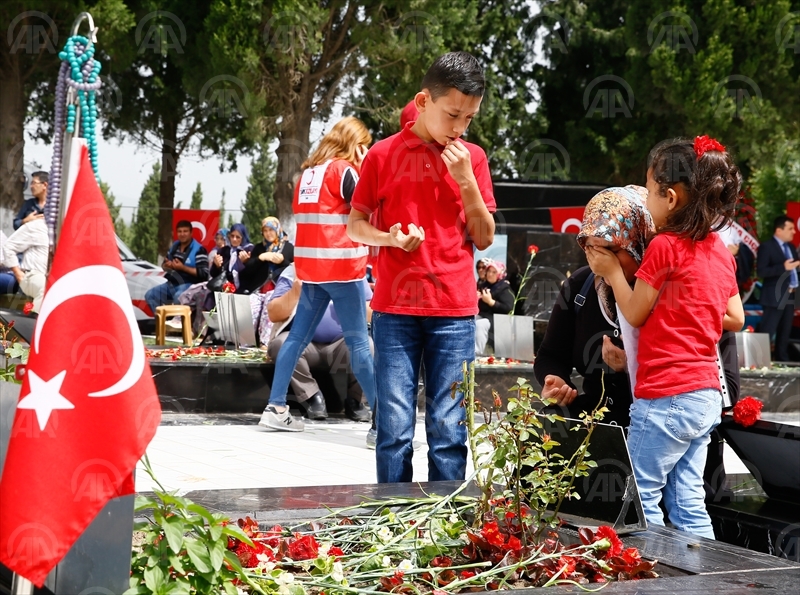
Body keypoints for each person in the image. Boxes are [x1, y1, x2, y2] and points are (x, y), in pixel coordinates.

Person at [585, 136, 744, 539]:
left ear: (670, 197)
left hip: (666, 397)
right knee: (689, 500)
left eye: (649, 190)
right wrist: (691, 308)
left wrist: (613, 274)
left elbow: (636, 314)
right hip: (706, 395)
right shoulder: (719, 250)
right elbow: (735, 317)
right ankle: (706, 575)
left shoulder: (663, 247)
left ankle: (653, 577)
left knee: (639, 496)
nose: (646, 202)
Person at [347, 51, 496, 483]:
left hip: (454, 311)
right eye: (453, 115)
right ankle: (391, 519)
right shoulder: (382, 155)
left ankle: (444, 526)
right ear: (424, 101)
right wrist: (389, 237)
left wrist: (467, 180)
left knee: (450, 430)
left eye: (469, 119)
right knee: (393, 429)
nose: (459, 128)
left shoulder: (473, 158)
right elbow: (356, 226)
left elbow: (484, 236)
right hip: (395, 309)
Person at [258, 116, 376, 433]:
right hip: (343, 270)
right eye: (365, 146)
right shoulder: (345, 171)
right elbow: (368, 212)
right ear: (356, 144)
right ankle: (382, 422)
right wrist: (366, 172)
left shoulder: (306, 176)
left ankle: (276, 406)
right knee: (360, 344)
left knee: (296, 338)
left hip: (312, 270)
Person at [535, 186, 653, 428]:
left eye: (611, 250)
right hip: (597, 422)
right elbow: (550, 354)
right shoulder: (581, 285)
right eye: (591, 249)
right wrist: (555, 380)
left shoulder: (670, 288)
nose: (601, 262)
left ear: (640, 243)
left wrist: (632, 366)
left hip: (656, 424)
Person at [266, 264, 373, 423]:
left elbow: (371, 314)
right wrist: (294, 293)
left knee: (368, 346)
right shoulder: (294, 271)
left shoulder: (352, 270)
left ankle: (357, 400)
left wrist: (348, 303)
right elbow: (274, 313)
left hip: (341, 344)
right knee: (283, 344)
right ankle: (311, 397)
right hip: (307, 346)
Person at [757, 215, 799, 362]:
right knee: (768, 331)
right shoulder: (766, 247)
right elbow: (761, 272)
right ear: (779, 230)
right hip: (773, 297)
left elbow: (793, 270)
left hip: (790, 296)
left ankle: (783, 361)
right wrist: (783, 267)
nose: (794, 232)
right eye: (790, 228)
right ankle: (760, 362)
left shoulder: (792, 248)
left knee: (785, 333)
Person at [145, 220, 209, 314]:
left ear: (191, 233)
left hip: (190, 285)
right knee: (150, 295)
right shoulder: (174, 246)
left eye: (185, 231)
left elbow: (204, 274)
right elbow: (164, 265)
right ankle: (163, 324)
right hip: (171, 283)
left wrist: (183, 268)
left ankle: (178, 326)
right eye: (179, 231)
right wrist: (167, 266)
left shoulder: (199, 249)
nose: (182, 234)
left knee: (178, 297)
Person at [1, 217, 49, 311]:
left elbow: (2, 260)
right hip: (26, 275)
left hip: (10, 273)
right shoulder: (36, 226)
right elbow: (9, 248)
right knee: (45, 286)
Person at [238, 217, 294, 294]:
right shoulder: (259, 248)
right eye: (265, 231)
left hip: (282, 292)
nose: (268, 233)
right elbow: (248, 273)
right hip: (259, 291)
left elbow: (295, 272)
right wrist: (260, 259)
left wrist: (282, 261)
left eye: (271, 230)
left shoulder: (289, 248)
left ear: (277, 230)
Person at [475, 260, 514, 355]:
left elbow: (508, 308)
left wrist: (491, 302)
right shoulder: (484, 285)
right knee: (469, 320)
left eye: (494, 272)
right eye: (489, 271)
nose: (490, 274)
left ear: (500, 274)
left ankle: (476, 353)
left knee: (480, 324)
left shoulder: (504, 288)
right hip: (484, 315)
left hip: (497, 320)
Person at [209, 223, 254, 292]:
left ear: (243, 237)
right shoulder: (224, 251)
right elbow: (213, 274)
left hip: (244, 290)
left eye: (238, 237)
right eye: (232, 236)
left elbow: (253, 273)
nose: (234, 239)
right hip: (225, 288)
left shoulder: (249, 250)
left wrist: (246, 263)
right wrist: (216, 266)